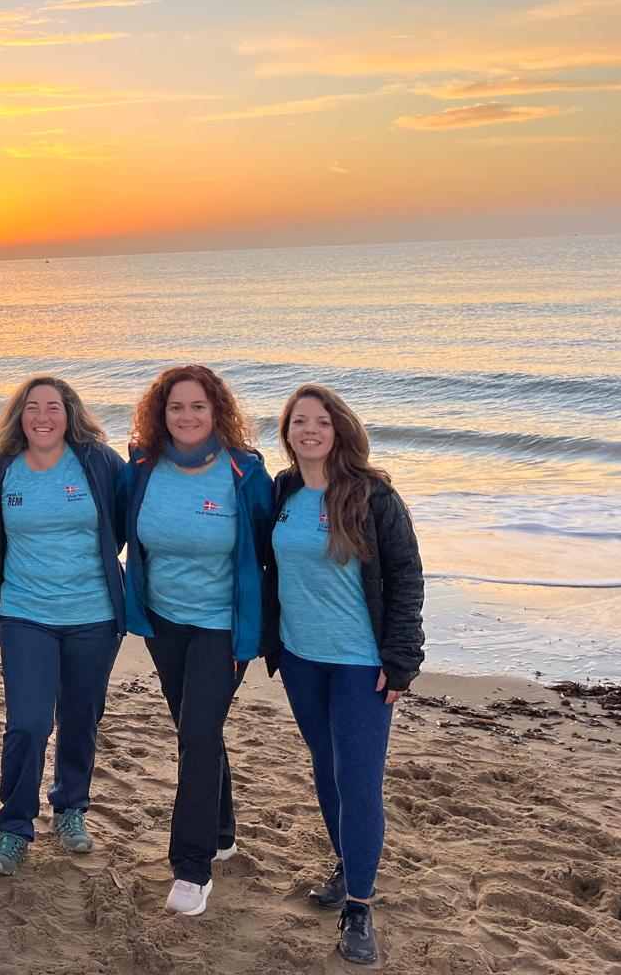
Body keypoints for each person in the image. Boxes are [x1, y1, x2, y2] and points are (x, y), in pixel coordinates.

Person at [265, 383, 424, 966]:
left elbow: (405, 578)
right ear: (286, 433)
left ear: (340, 431)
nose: (310, 430)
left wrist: (401, 662)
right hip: (301, 657)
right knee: (326, 770)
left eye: (321, 422)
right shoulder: (282, 491)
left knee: (358, 779)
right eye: (299, 422)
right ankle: (346, 864)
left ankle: (359, 905)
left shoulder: (373, 496)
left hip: (361, 662)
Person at [120, 364, 272, 917]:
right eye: (176, 407)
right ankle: (223, 829)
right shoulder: (141, 466)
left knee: (199, 734)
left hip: (222, 627)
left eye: (198, 407)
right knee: (195, 729)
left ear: (217, 413)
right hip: (163, 622)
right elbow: (115, 526)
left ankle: (191, 867)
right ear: (161, 414)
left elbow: (270, 550)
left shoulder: (245, 472)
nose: (186, 416)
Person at [0, 375, 126, 876]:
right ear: (20, 415)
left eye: (54, 407)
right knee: (29, 722)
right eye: (33, 407)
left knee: (81, 718)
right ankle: (14, 826)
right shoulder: (1, 471)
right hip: (25, 614)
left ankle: (70, 809)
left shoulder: (98, 463)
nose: (43, 416)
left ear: (70, 413)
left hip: (94, 616)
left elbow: (125, 522)